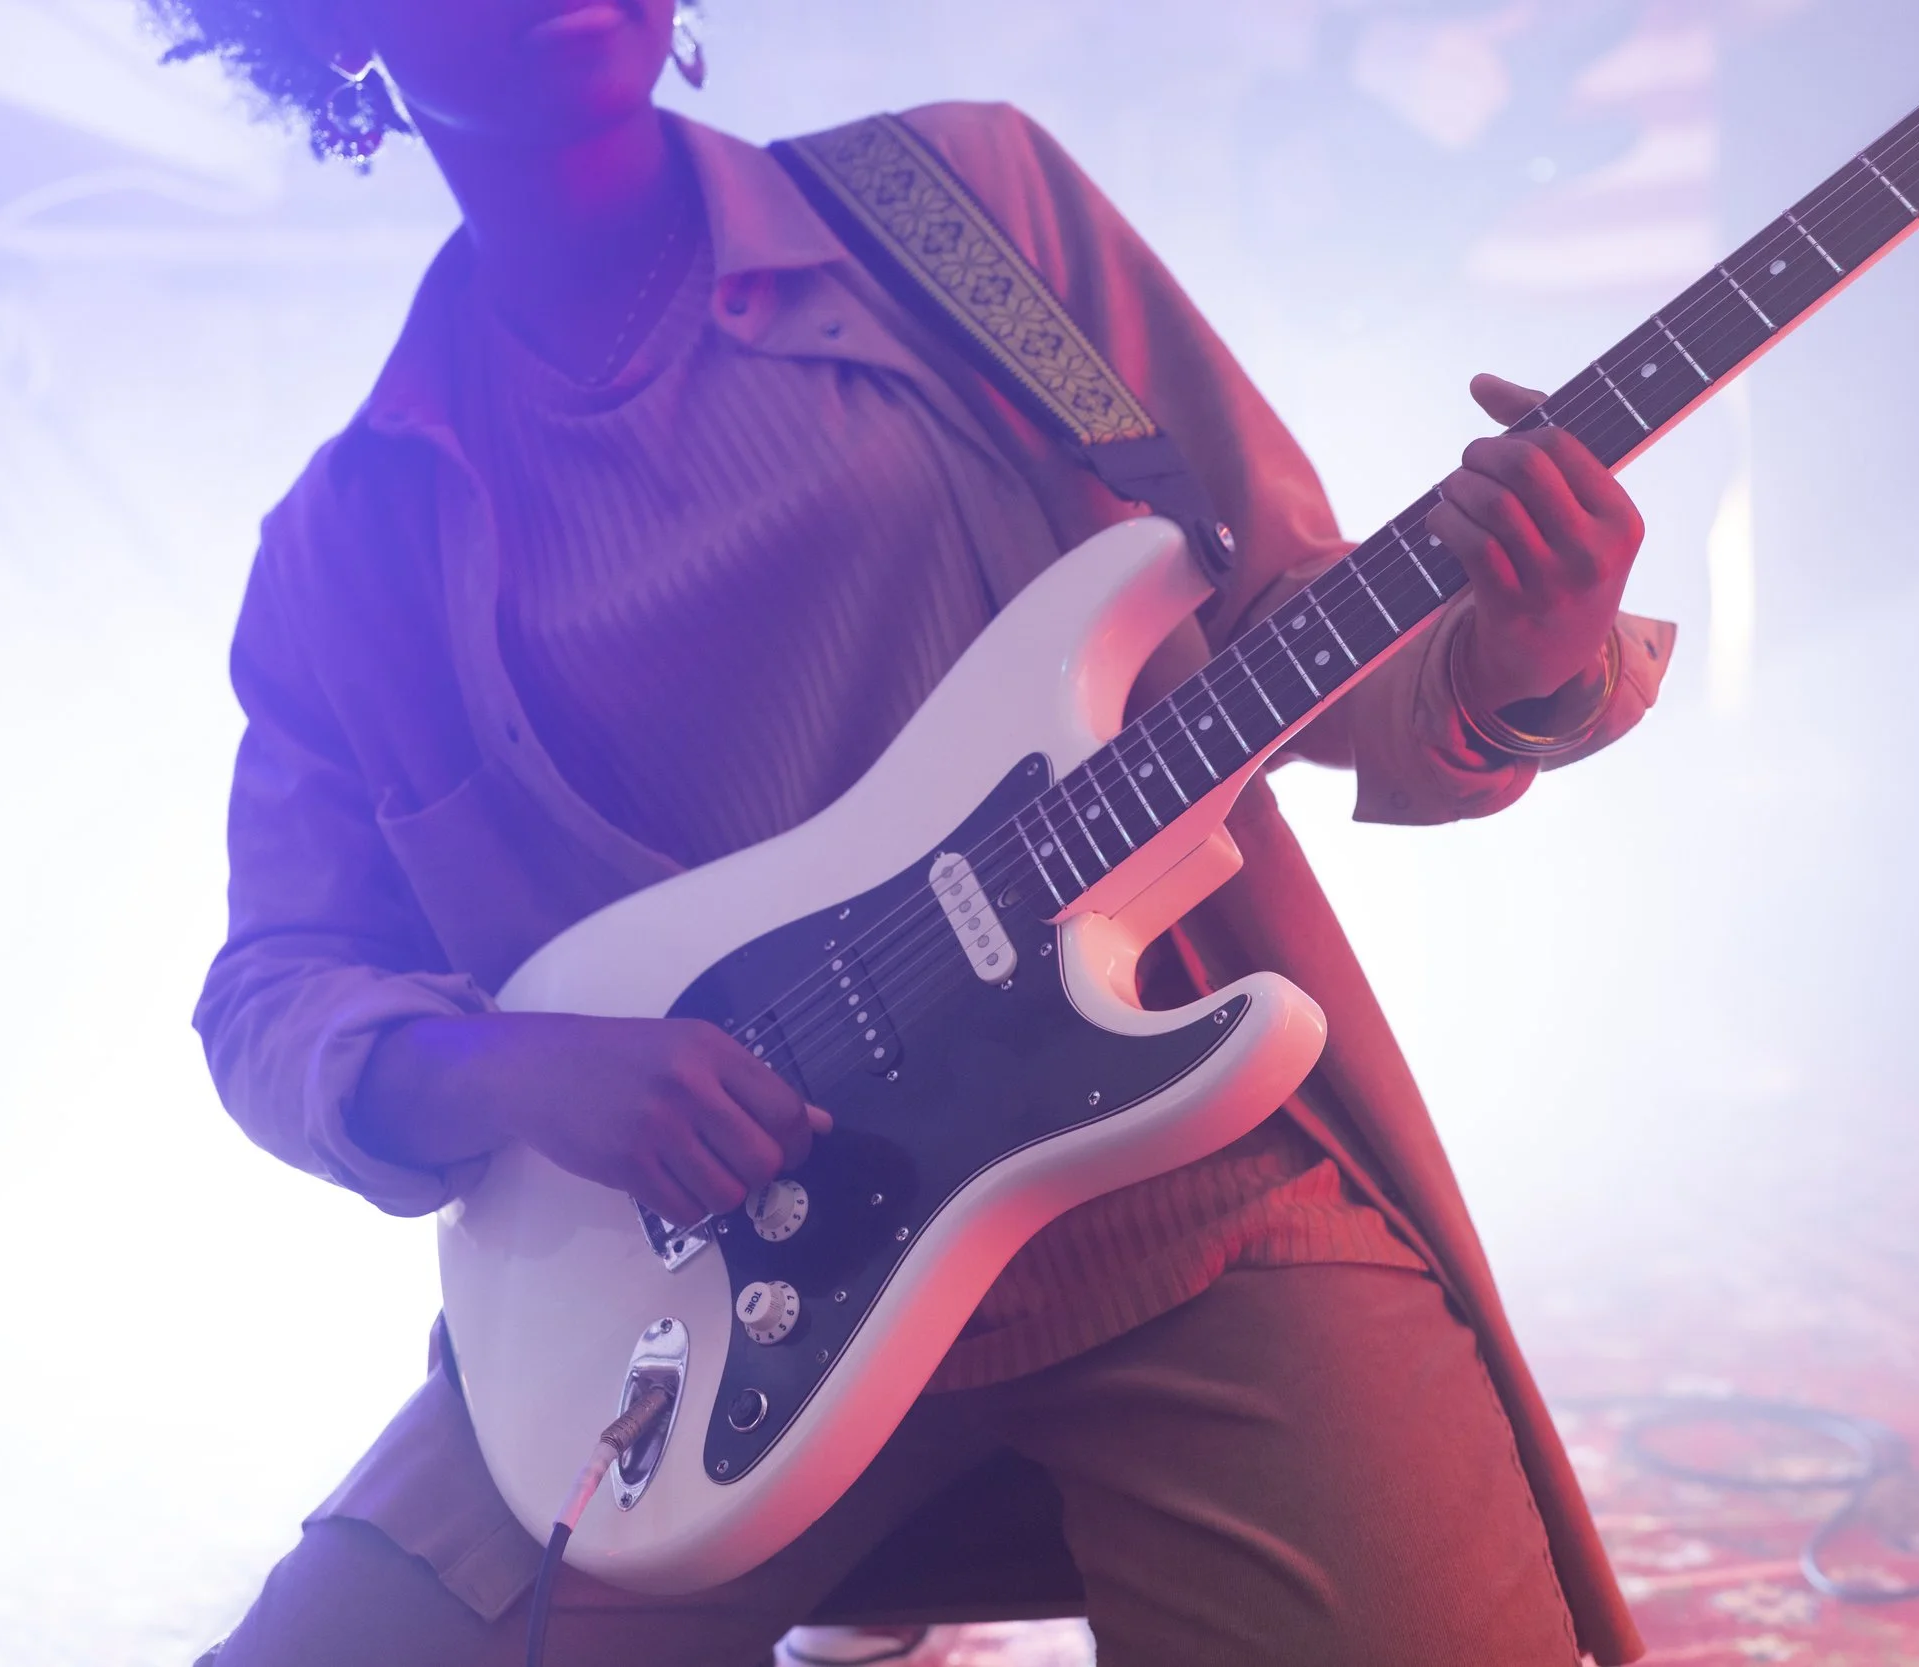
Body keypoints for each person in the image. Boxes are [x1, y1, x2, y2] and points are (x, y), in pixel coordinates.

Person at [162, 1, 1676, 1662]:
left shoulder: (962, 215)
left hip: (1178, 1207)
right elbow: (276, 987)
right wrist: (528, 1071)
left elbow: (1278, 618)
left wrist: (1516, 666)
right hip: (697, 1325)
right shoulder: (348, 538)